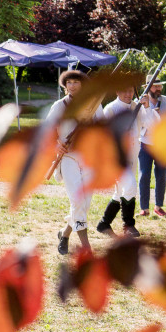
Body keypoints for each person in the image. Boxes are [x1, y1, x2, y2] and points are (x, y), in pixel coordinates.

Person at [49, 70, 104, 254]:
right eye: (69, 82)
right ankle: (86, 247)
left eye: (76, 82)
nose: (72, 85)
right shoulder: (59, 106)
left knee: (84, 203)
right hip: (68, 158)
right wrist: (57, 144)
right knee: (77, 200)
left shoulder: (94, 104)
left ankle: (64, 234)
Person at [96, 84, 156, 238]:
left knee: (120, 192)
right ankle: (128, 224)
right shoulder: (110, 109)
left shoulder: (138, 107)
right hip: (116, 158)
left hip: (133, 155)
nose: (128, 94)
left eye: (130, 90)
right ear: (117, 90)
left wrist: (147, 107)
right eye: (124, 90)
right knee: (130, 186)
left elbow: (153, 126)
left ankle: (104, 223)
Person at [138, 75, 166, 218]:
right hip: (145, 144)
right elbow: (139, 123)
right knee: (144, 176)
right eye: (155, 86)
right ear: (148, 87)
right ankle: (144, 208)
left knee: (161, 176)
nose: (159, 88)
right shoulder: (139, 103)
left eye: (160, 85)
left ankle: (158, 206)